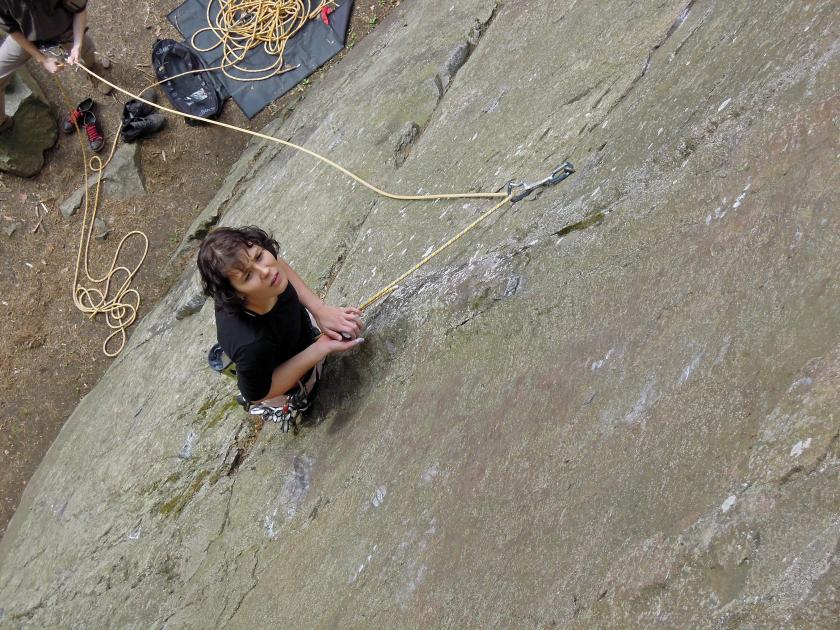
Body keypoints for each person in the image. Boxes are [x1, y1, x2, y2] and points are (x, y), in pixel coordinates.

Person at [197, 226, 364, 411]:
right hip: (283, 378)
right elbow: (258, 394)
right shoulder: (251, 343)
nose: (265, 271)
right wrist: (320, 348)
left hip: (293, 333)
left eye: (259, 256)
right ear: (237, 294)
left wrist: (319, 309)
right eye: (248, 276)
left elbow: (278, 264)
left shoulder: (267, 276)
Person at [0, 0, 110, 133]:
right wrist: (42, 59)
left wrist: (77, 45)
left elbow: (79, 10)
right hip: (24, 36)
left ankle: (93, 69)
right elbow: (12, 30)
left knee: (87, 50)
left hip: (63, 29)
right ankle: (2, 122)